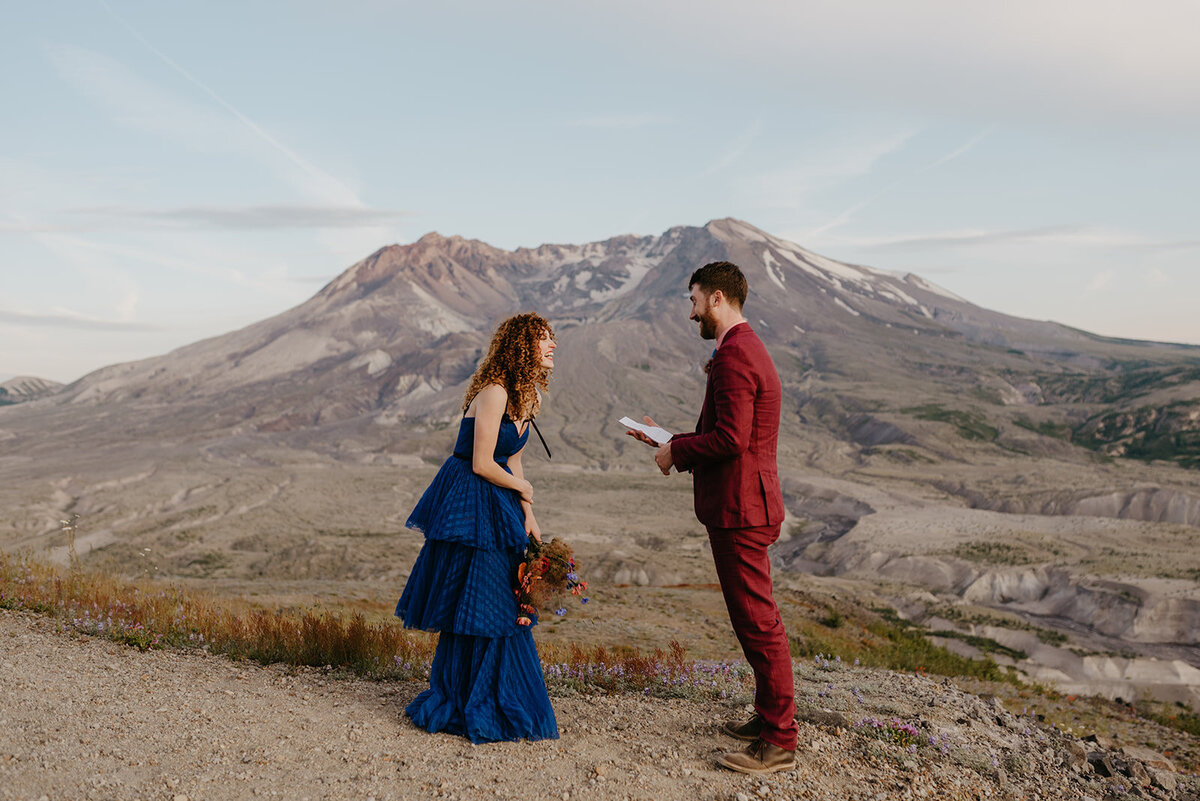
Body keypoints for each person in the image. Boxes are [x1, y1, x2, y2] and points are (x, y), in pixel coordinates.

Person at [627, 261, 797, 774]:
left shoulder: (735, 356)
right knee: (753, 621)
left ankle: (780, 740)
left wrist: (675, 454)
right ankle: (769, 719)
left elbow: (730, 440)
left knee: (759, 623)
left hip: (741, 510)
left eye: (694, 298)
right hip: (744, 503)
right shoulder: (742, 348)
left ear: (718, 298)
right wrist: (669, 438)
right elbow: (727, 431)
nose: (691, 310)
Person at [396, 312, 559, 743]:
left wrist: (529, 513)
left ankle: (501, 692)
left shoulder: (526, 398)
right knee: (479, 599)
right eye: (545, 340)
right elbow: (482, 462)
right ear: (522, 346)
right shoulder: (493, 393)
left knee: (505, 598)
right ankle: (469, 698)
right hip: (469, 502)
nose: (553, 346)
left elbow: (513, 459)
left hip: (500, 501)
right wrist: (522, 486)